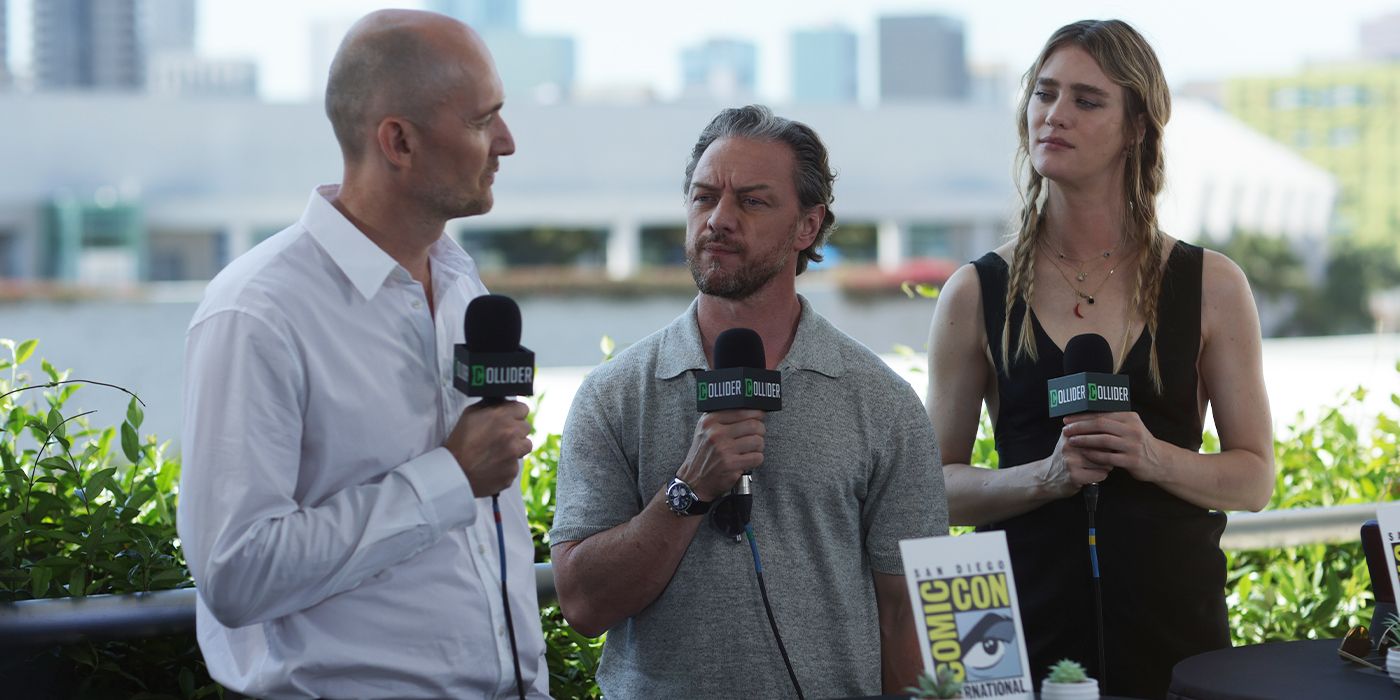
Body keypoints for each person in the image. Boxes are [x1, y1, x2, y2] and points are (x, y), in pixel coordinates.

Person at [177, 10, 549, 698]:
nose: (507, 142)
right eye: (481, 120)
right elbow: (236, 572)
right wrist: (448, 478)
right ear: (399, 141)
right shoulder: (258, 312)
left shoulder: (465, 283)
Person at [925, 19, 1275, 699]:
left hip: (1177, 634)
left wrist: (1152, 457)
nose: (1055, 115)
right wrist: (1044, 478)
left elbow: (1253, 480)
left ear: (1137, 126)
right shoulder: (975, 293)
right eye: (1044, 94)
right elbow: (934, 486)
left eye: (1087, 100)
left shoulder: (1211, 285)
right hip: (1017, 636)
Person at [548, 105, 948, 699]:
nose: (719, 220)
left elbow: (910, 613)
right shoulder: (613, 395)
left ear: (808, 227)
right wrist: (688, 490)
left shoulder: (881, 403)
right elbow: (581, 604)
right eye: (704, 197)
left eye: (752, 202)